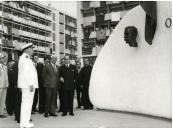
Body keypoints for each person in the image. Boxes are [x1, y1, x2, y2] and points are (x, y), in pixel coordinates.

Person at [18, 43, 38, 128]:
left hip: (26, 85)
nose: (33, 50)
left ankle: (24, 122)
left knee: (27, 104)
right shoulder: (25, 58)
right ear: (26, 49)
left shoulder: (25, 58)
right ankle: (24, 123)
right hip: (28, 85)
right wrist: (30, 84)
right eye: (31, 48)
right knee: (26, 104)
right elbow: (26, 73)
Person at [0, 53, 8, 118]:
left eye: (3, 58)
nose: (3, 59)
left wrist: (7, 84)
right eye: (2, 58)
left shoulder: (5, 66)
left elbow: (6, 76)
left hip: (5, 85)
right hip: (0, 85)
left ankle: (1, 113)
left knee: (3, 100)